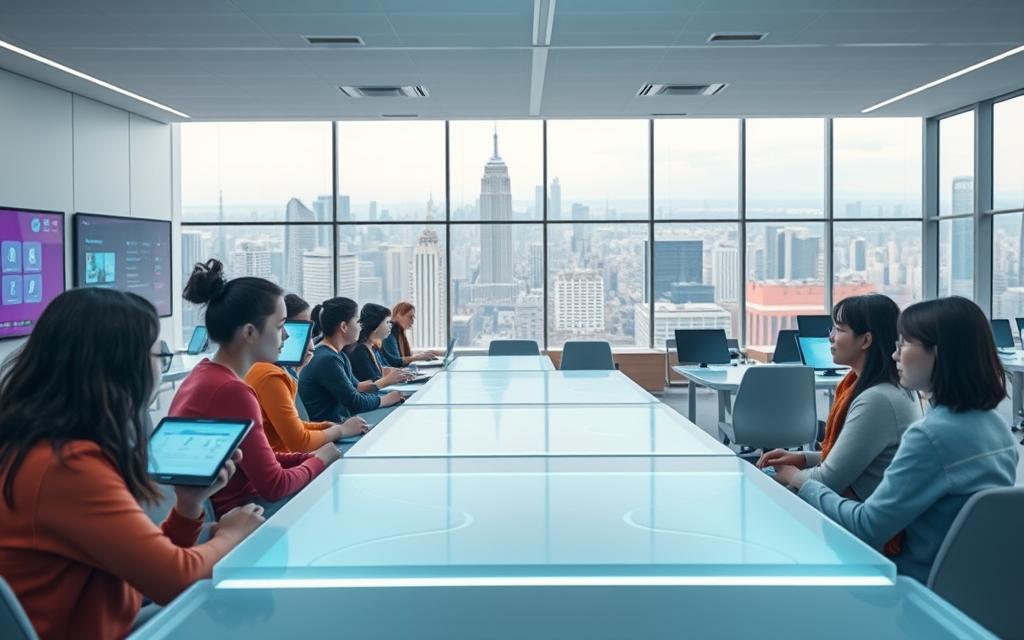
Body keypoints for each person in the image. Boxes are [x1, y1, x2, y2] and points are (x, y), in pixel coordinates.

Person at [0, 288, 263, 640]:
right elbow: (176, 580)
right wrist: (235, 533)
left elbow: (148, 572)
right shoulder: (66, 467)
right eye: (159, 354)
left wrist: (188, 504)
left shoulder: (39, 447)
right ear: (126, 364)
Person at [792, 297, 1018, 583]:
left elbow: (867, 526)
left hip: (910, 583)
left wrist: (806, 485)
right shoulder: (996, 427)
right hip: (968, 585)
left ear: (939, 353)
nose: (895, 355)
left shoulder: (930, 436)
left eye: (905, 344)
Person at [170, 260, 340, 517]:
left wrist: (307, 457)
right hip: (248, 512)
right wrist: (319, 460)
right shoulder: (232, 391)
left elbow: (260, 458)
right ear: (250, 332)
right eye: (280, 326)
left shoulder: (204, 375)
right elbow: (274, 485)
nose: (286, 337)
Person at [758, 294, 922, 500]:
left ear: (866, 340)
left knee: (759, 490)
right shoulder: (884, 387)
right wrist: (803, 458)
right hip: (854, 499)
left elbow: (827, 481)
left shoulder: (878, 400)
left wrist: (792, 475)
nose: (831, 337)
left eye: (840, 329)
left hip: (854, 511)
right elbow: (857, 458)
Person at [246, 293, 368, 453]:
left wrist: (331, 427)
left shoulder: (277, 370)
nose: (287, 336)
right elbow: (300, 443)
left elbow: (295, 425)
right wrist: (341, 431)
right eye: (302, 332)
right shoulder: (270, 375)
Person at [299, 297, 406, 423]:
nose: (361, 327)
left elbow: (357, 387)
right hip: (333, 430)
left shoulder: (338, 355)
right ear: (344, 326)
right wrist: (386, 399)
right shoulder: (327, 360)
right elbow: (354, 402)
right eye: (358, 322)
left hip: (341, 423)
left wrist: (387, 383)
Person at [346, 303, 410, 383]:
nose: (390, 325)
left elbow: (381, 370)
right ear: (375, 326)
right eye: (387, 322)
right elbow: (373, 383)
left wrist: (402, 372)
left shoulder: (372, 347)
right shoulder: (360, 351)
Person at [380, 301, 441, 368]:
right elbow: (395, 362)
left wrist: (421, 354)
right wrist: (416, 357)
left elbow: (401, 356)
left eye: (413, 317)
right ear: (398, 315)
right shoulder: (389, 332)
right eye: (410, 317)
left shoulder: (399, 332)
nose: (412, 320)